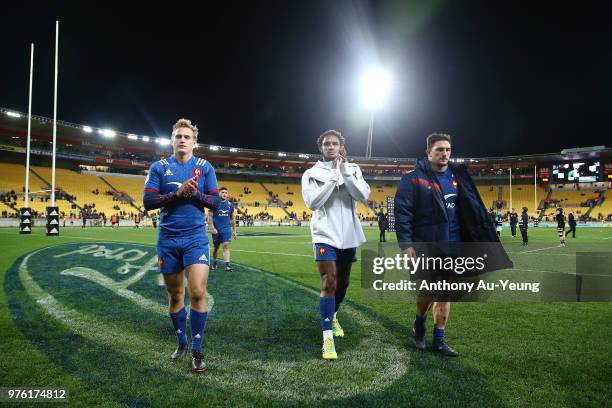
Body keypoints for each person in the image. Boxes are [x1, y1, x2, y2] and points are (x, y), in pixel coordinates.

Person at [394, 132, 512, 357]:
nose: (444, 154)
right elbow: (403, 213)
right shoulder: (413, 179)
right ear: (428, 152)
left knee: (445, 292)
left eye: (448, 149)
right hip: (428, 245)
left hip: (455, 246)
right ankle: (419, 324)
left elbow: (471, 209)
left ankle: (439, 340)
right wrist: (407, 245)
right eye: (439, 149)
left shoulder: (458, 177)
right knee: (428, 290)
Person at [143, 118, 220, 373]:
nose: (182, 140)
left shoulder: (205, 167)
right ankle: (182, 342)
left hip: (195, 238)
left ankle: (197, 350)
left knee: (197, 292)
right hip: (168, 238)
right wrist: (177, 194)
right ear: (172, 140)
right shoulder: (159, 167)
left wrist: (194, 194)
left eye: (187, 137)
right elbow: (148, 201)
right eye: (178, 136)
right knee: (176, 295)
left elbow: (216, 203)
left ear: (195, 142)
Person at [301, 129, 370, 360]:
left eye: (335, 143)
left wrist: (344, 173)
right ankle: (327, 338)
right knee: (329, 281)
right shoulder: (311, 173)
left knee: (343, 284)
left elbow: (363, 196)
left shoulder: (353, 169)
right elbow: (312, 202)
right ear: (321, 147)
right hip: (324, 234)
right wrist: (332, 177)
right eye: (327, 144)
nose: (331, 147)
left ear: (341, 147)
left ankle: (335, 314)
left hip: (348, 234)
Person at [208, 187, 237, 271]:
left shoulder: (230, 205)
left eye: (226, 193)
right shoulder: (213, 203)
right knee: (216, 247)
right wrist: (212, 228)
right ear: (219, 193)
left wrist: (234, 230)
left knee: (226, 245)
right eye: (222, 192)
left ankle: (227, 265)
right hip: (216, 230)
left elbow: (232, 218)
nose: (224, 194)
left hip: (226, 229)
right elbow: (209, 216)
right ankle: (214, 261)